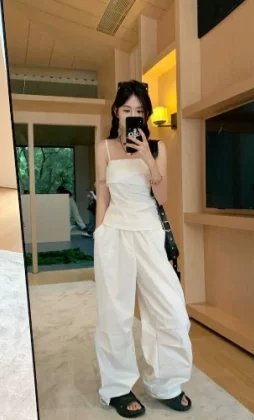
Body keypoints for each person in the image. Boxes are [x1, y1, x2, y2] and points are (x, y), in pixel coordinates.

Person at [94, 80, 192, 418]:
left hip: (150, 233)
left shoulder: (158, 147)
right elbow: (103, 194)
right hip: (114, 233)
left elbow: (162, 198)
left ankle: (166, 383)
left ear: (146, 115)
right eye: (127, 110)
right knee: (115, 314)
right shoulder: (104, 148)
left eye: (139, 110)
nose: (132, 115)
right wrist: (99, 234)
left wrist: (149, 159)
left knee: (171, 311)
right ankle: (118, 387)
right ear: (116, 112)